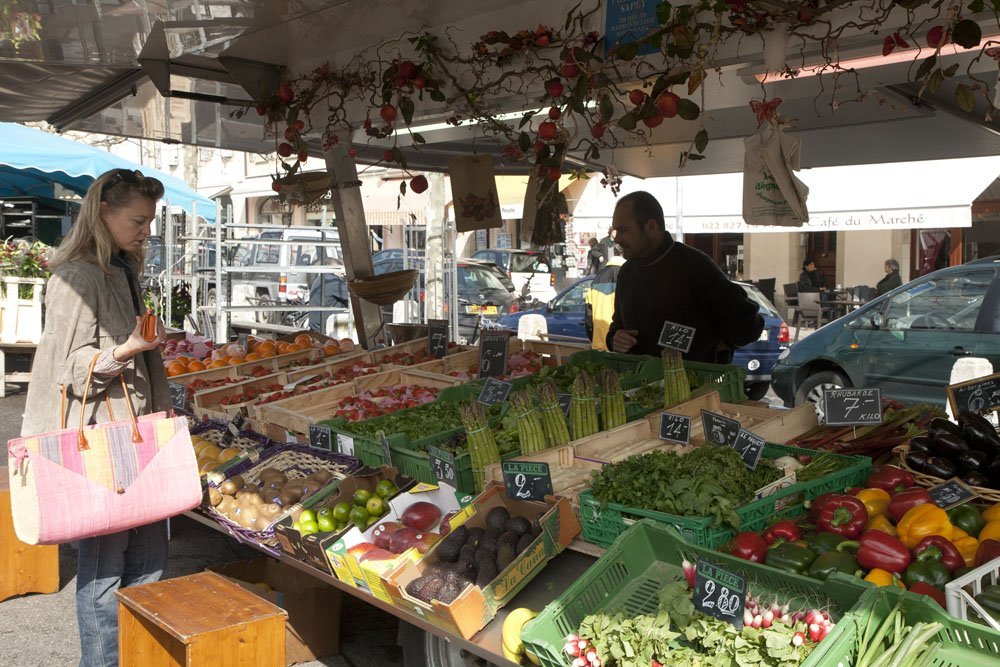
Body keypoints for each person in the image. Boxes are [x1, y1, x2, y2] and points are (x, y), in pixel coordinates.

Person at [21, 169, 171, 667]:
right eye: (138, 220)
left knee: (150, 559)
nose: (146, 230)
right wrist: (129, 348)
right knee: (106, 567)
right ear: (102, 212)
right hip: (101, 441)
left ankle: (139, 656)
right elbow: (65, 370)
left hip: (137, 434)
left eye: (150, 221)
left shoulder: (121, 268)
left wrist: (142, 347)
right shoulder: (76, 277)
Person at [607, 191, 764, 363]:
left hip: (696, 386)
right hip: (641, 386)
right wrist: (615, 338)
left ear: (651, 226)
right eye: (616, 231)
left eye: (623, 230)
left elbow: (750, 325)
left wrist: (707, 347)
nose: (618, 239)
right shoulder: (627, 272)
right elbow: (617, 325)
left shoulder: (696, 267)